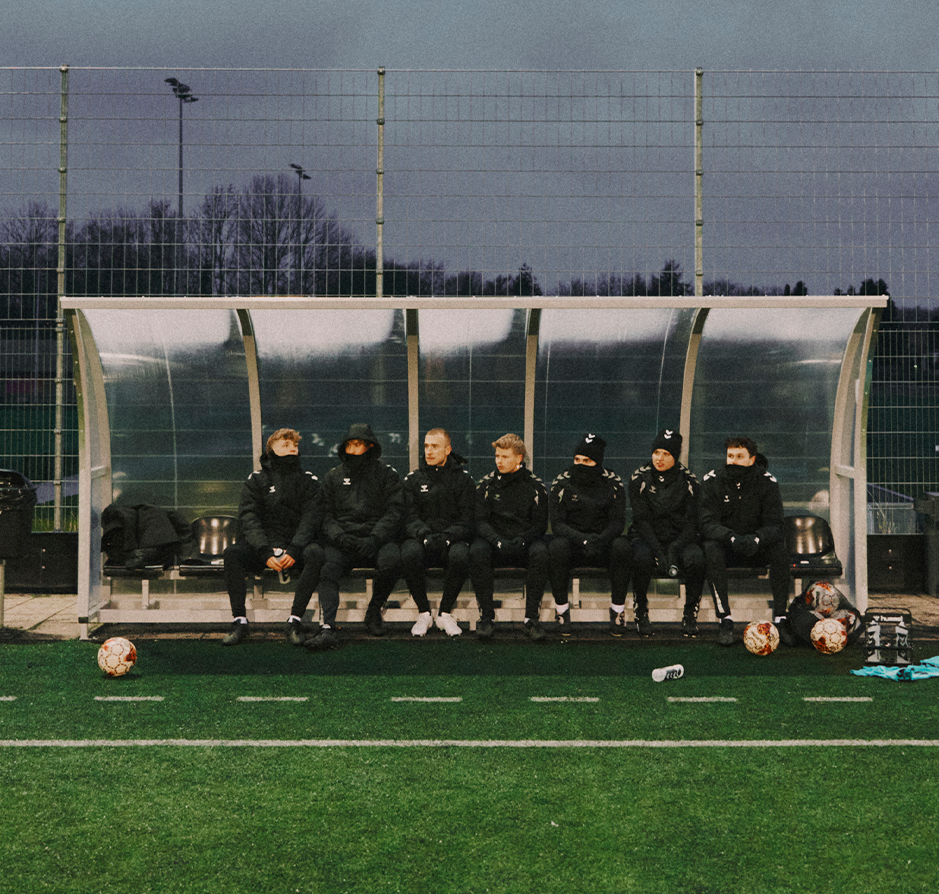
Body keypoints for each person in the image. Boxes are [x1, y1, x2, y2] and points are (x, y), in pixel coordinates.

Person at [304, 423, 405, 650]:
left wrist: (376, 537)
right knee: (327, 567)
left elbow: (395, 511)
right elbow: (324, 514)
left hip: (375, 539)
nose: (352, 449)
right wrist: (339, 537)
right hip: (344, 541)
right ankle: (327, 628)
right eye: (349, 444)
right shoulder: (333, 477)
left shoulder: (387, 475)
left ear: (370, 446)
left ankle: (373, 611)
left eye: (358, 444)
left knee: (392, 560)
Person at [222, 428, 324, 646]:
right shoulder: (257, 479)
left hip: (295, 547)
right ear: (271, 450)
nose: (292, 448)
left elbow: (311, 518)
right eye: (286, 445)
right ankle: (239, 621)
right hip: (264, 547)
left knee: (316, 553)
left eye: (295, 445)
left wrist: (295, 549)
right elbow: (249, 517)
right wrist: (264, 551)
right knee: (232, 554)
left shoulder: (308, 480)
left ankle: (295, 620)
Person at [699, 436, 795, 647]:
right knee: (710, 548)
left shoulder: (767, 482)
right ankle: (725, 619)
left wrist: (757, 538)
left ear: (751, 460)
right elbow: (707, 523)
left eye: (739, 456)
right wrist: (730, 537)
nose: (733, 461)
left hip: (756, 546)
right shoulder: (712, 480)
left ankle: (781, 618)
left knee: (779, 552)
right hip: (727, 546)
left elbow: (777, 525)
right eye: (730, 456)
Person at [547, 432, 629, 636]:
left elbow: (618, 521)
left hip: (602, 543)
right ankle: (562, 611)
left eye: (587, 461)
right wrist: (582, 539)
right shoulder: (562, 482)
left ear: (597, 462)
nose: (580, 465)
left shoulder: (613, 482)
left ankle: (618, 612)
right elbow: (557, 524)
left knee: (622, 546)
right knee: (557, 546)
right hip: (574, 544)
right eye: (577, 460)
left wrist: (601, 539)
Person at [627, 429, 705, 638]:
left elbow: (692, 523)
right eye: (656, 452)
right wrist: (658, 551)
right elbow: (641, 520)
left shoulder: (689, 482)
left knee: (696, 559)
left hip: (679, 539)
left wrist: (674, 548)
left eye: (666, 454)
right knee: (641, 557)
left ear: (675, 456)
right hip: (647, 537)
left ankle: (690, 614)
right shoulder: (639, 478)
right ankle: (641, 611)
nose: (659, 459)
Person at [470, 433, 549, 640]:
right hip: (495, 544)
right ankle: (487, 618)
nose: (499, 461)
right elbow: (480, 522)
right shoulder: (486, 485)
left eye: (505, 457)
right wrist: (497, 540)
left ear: (519, 458)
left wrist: (522, 540)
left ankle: (531, 620)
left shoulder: (535, 486)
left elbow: (540, 525)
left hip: (523, 544)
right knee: (477, 550)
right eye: (497, 456)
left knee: (540, 551)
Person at [400, 428, 475, 637]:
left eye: (435, 446)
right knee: (409, 552)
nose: (429, 451)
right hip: (423, 539)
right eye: (426, 446)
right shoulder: (413, 480)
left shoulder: (463, 480)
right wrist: (424, 535)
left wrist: (448, 536)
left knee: (461, 555)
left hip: (451, 539)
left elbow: (467, 519)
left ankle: (444, 613)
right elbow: (409, 517)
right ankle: (424, 613)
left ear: (447, 450)